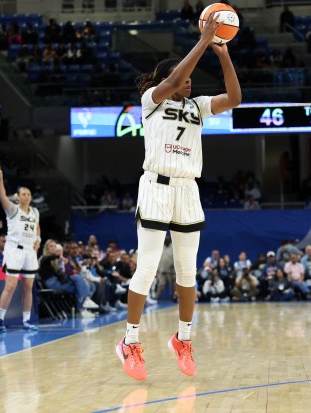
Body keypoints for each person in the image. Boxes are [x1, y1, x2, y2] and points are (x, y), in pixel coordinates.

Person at [115, 11, 241, 381]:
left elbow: (234, 97)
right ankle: (130, 342)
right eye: (185, 77)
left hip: (188, 189)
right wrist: (203, 39)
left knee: (188, 273)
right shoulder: (151, 99)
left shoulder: (199, 107)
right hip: (155, 185)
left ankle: (183, 339)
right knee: (148, 267)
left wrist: (223, 54)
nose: (189, 82)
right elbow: (172, 79)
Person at [0, 164, 41, 332]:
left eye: (28, 194)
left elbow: (37, 227)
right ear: (18, 197)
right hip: (14, 249)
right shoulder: (13, 210)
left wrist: (39, 239)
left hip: (30, 251)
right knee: (11, 285)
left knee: (28, 286)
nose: (26, 196)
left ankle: (26, 320)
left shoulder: (35, 211)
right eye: (23, 194)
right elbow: (2, 195)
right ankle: (0, 319)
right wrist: (0, 180)